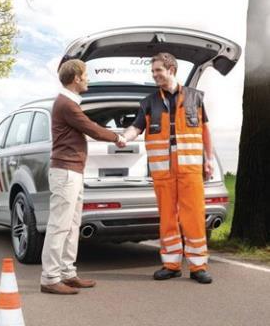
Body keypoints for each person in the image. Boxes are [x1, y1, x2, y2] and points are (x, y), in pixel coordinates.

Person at [119, 52, 214, 284]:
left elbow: (205, 131)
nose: (155, 75)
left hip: (190, 170)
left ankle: (198, 266)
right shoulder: (149, 102)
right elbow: (136, 127)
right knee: (168, 218)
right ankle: (171, 264)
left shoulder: (195, 97)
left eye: (158, 70)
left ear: (171, 69)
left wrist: (208, 160)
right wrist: (124, 137)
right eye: (153, 71)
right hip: (163, 172)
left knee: (194, 217)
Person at [40, 59, 126, 294]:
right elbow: (92, 129)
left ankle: (68, 273)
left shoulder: (69, 103)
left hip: (73, 171)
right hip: (65, 171)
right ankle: (50, 278)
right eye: (86, 75)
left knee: (72, 225)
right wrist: (117, 137)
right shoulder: (67, 104)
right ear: (76, 78)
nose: (88, 79)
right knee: (59, 225)